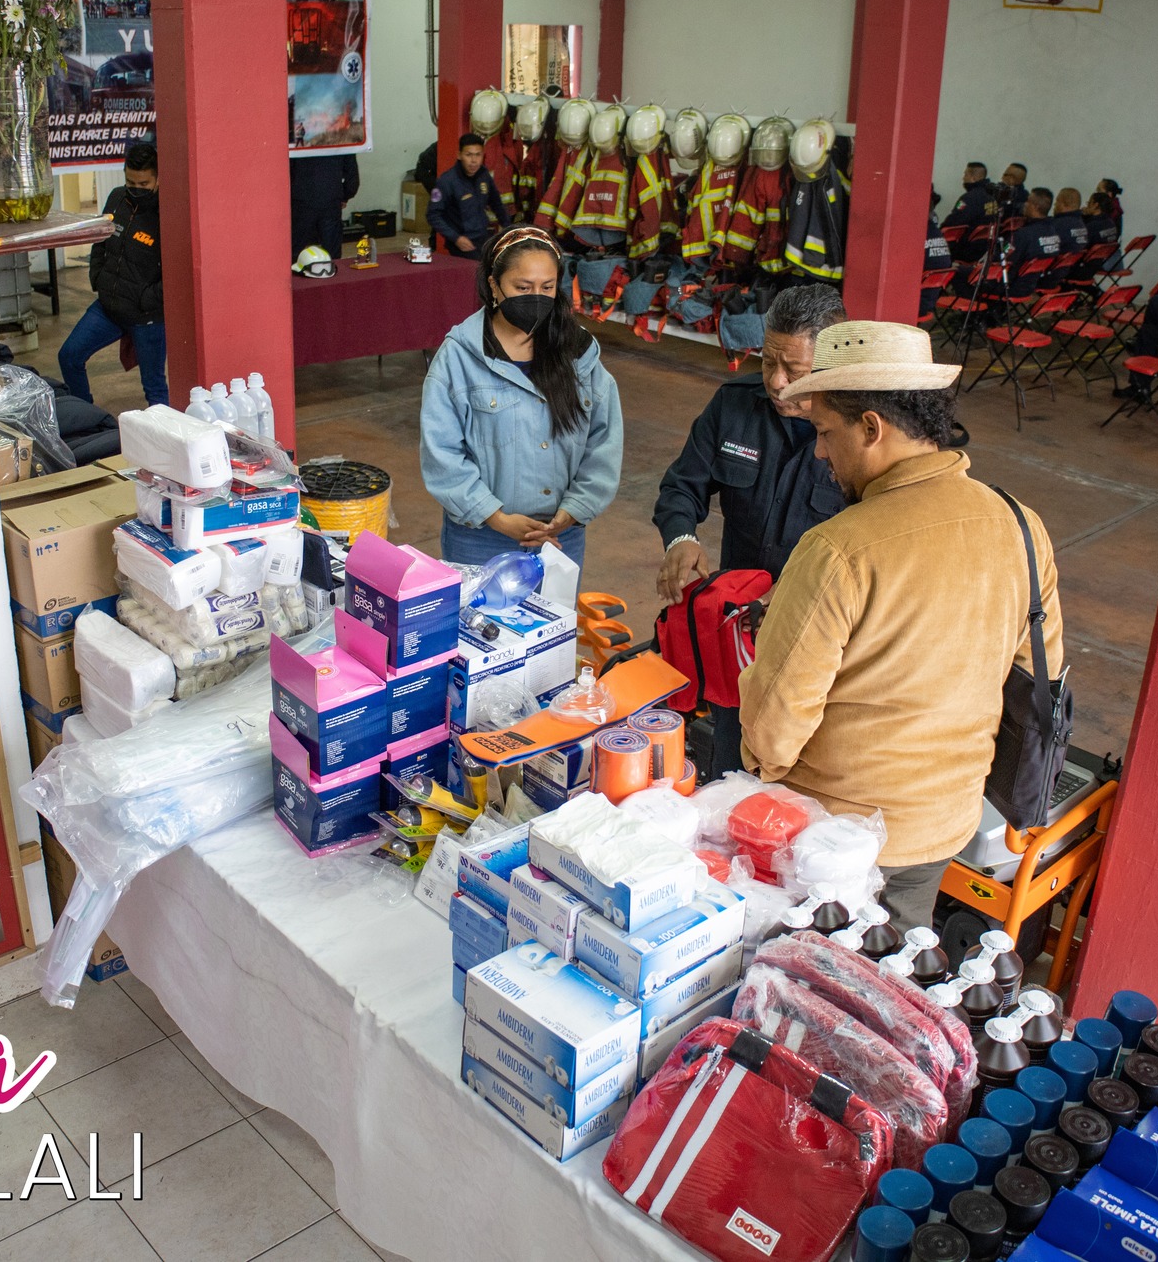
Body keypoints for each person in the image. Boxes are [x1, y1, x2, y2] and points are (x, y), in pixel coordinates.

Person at [739, 321, 1063, 931]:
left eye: (825, 431)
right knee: (881, 996)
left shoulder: (840, 548)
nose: (819, 452)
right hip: (941, 823)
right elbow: (1035, 671)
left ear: (871, 427)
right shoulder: (1022, 526)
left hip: (829, 838)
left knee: (798, 994)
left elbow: (777, 722)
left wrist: (763, 773)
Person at [654, 283, 851, 780]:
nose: (777, 381)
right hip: (736, 641)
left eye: (795, 371)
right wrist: (681, 538)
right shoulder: (734, 407)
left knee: (802, 786)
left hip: (819, 647)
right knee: (729, 768)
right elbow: (682, 486)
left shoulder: (858, 439)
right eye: (767, 362)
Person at [420, 226, 623, 566]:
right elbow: (442, 452)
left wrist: (575, 509)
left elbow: (604, 440)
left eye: (547, 287)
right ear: (494, 285)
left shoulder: (578, 352)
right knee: (480, 621)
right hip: (480, 538)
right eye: (523, 287)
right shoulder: (459, 357)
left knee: (555, 621)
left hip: (561, 537)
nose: (536, 298)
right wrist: (495, 517)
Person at [57, 141, 167, 408]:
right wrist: (98, 277)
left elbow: (176, 270)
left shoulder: (167, 211)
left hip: (146, 318)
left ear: (158, 179)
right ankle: (85, 418)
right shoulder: (117, 198)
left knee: (153, 387)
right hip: (109, 306)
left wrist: (148, 299)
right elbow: (101, 240)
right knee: (69, 356)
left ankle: (166, 441)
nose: (137, 189)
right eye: (131, 182)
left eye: (144, 184)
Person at [428, 133, 511, 258]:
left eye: (478, 155)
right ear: (459, 155)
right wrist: (456, 238)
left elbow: (496, 203)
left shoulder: (484, 175)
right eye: (469, 155)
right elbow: (433, 215)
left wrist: (509, 228)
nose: (474, 161)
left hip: (483, 240)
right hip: (461, 246)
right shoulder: (446, 181)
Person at [290, 154, 361, 258]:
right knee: (332, 253)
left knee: (294, 250)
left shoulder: (297, 139)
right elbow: (352, 176)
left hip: (301, 200)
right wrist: (345, 195)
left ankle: (293, 272)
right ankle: (331, 272)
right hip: (331, 199)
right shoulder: (343, 139)